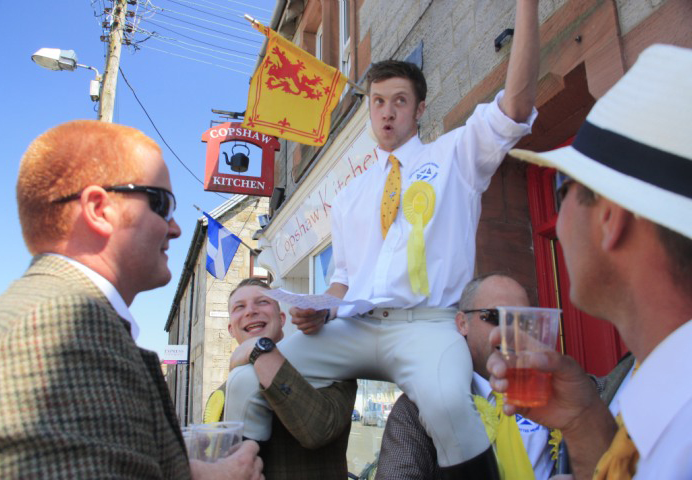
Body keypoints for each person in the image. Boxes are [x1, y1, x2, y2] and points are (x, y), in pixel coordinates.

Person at [225, 1, 541, 476]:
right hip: (355, 329)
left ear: (420, 109)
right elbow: (343, 279)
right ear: (369, 108)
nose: (387, 112)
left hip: (426, 326)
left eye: (399, 101)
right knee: (247, 382)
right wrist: (321, 308)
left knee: (448, 406)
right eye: (377, 101)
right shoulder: (349, 195)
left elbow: (514, 108)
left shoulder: (455, 155)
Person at [0, 120, 263, 480]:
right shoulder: (57, 333)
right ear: (99, 209)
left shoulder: (63, 319)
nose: (175, 228)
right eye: (161, 204)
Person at [486, 44, 692, 479]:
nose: (559, 225)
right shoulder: (645, 392)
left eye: (563, 189)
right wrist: (582, 422)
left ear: (610, 219)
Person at [377, 274, 557, 480]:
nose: (511, 332)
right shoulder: (421, 405)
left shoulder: (558, 393)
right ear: (463, 323)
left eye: (522, 320)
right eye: (496, 317)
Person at [208, 278, 356, 479]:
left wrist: (258, 350)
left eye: (262, 302)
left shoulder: (330, 365)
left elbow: (318, 431)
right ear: (231, 329)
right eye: (239, 307)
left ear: (282, 318)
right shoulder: (220, 392)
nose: (250, 311)